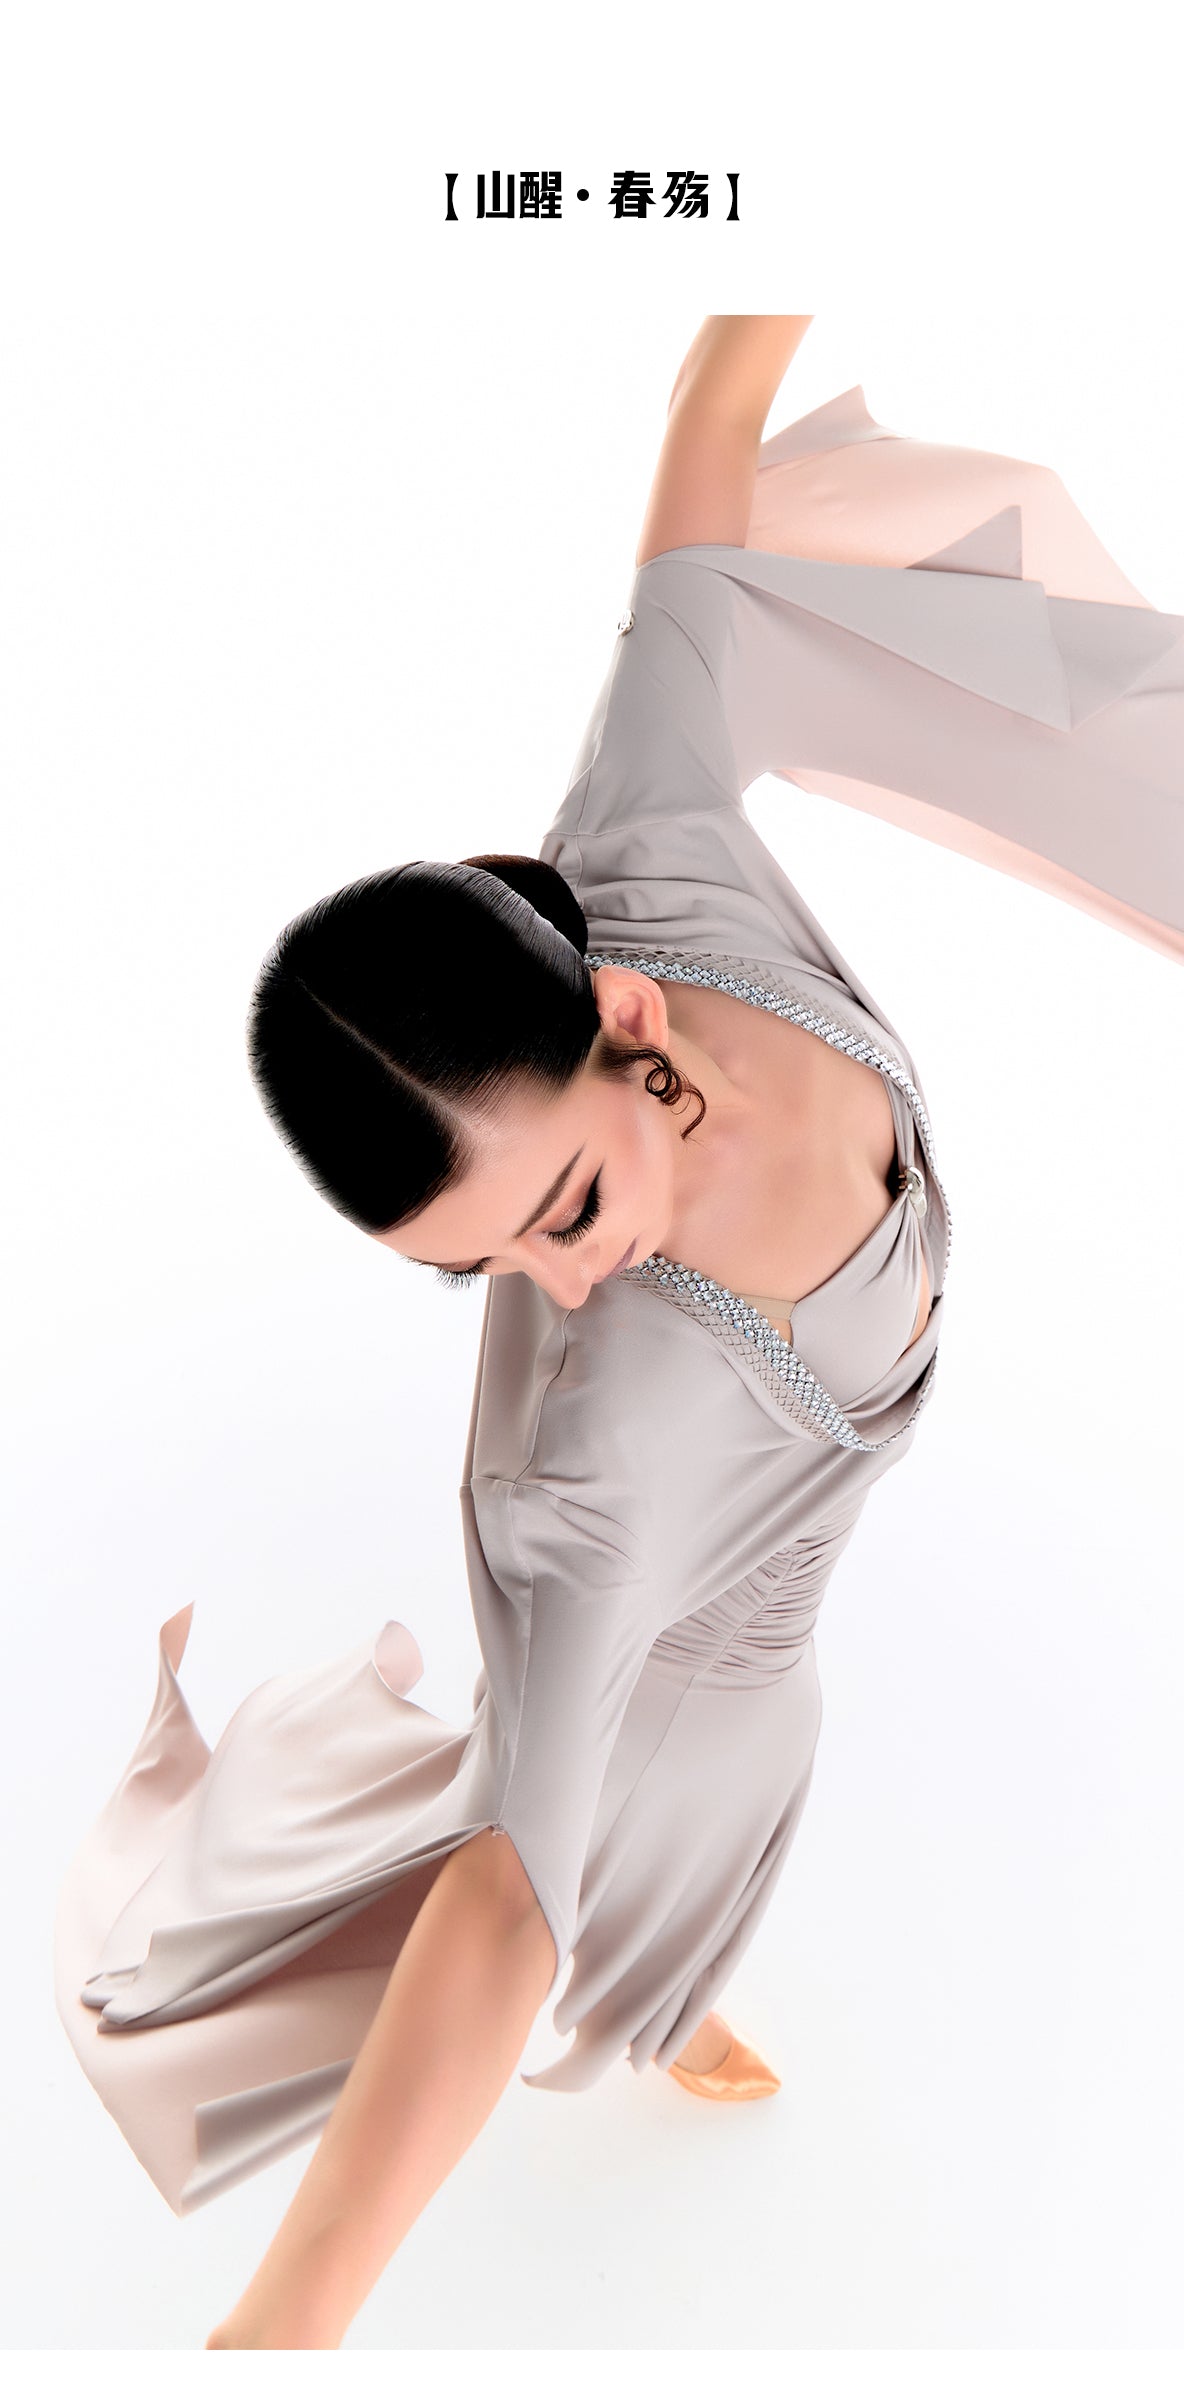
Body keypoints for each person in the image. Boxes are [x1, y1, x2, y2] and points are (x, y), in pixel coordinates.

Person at [53, 317, 1183, 2350]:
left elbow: (715, 404)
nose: (556, 1290)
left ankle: (648, 1978)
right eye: (482, 1268)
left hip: (766, 1570)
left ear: (630, 1015)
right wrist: (287, 2326)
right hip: (707, 1624)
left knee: (679, 1821)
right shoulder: (594, 1456)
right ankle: (651, 2008)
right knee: (601, 1849)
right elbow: (502, 1904)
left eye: (562, 1205)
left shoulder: (649, 830)